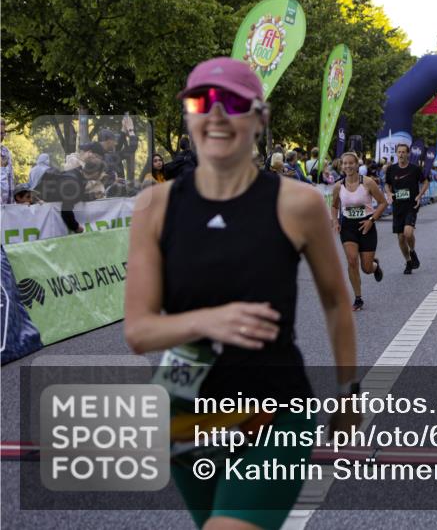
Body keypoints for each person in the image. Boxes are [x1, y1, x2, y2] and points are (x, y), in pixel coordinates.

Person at [124, 56, 359, 530]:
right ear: (188, 116)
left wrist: (347, 392)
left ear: (260, 117)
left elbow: (336, 301)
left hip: (274, 410)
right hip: (185, 410)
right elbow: (139, 331)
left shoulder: (297, 203)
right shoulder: (154, 205)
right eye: (201, 102)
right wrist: (207, 321)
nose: (216, 115)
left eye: (232, 103)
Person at [331, 151, 387, 310]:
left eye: (351, 163)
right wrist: (335, 221)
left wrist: (371, 220)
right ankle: (358, 298)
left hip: (367, 225)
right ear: (341, 166)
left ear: (357, 165)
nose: (348, 166)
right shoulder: (338, 186)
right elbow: (334, 206)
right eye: (345, 163)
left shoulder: (368, 182)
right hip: (348, 226)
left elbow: (383, 203)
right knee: (352, 261)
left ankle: (374, 266)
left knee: (366, 268)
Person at [383, 143, 429, 275]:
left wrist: (419, 195)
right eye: (399, 152)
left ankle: (412, 251)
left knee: (408, 233)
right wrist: (389, 193)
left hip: (411, 205)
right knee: (401, 238)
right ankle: (408, 261)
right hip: (398, 206)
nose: (401, 154)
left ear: (408, 154)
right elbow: (387, 184)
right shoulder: (391, 169)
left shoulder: (415, 169)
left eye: (404, 152)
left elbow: (426, 182)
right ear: (396, 153)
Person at [1, 118, 14, 204]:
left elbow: (10, 179)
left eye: (3, 133)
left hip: (5, 206)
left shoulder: (5, 152)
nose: (1, 136)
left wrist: (11, 203)